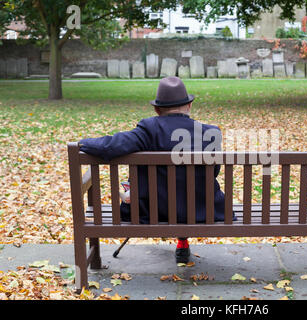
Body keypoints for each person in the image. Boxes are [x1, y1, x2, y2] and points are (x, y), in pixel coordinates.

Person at [78, 76, 229, 263]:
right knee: (185, 191)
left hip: (155, 211)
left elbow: (111, 146)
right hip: (203, 209)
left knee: (142, 190)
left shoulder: (149, 129)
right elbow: (213, 172)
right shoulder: (210, 132)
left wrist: (81, 143)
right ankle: (182, 241)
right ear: (189, 106)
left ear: (157, 110)